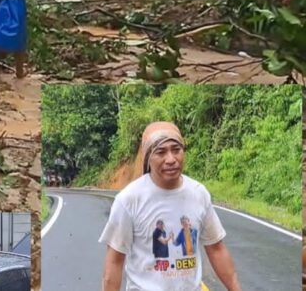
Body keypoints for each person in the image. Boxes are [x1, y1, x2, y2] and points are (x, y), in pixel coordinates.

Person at [99, 122, 243, 291]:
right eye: (160, 152)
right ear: (148, 158)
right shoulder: (129, 199)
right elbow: (115, 261)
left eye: (176, 150)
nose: (171, 159)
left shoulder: (198, 193)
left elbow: (217, 249)